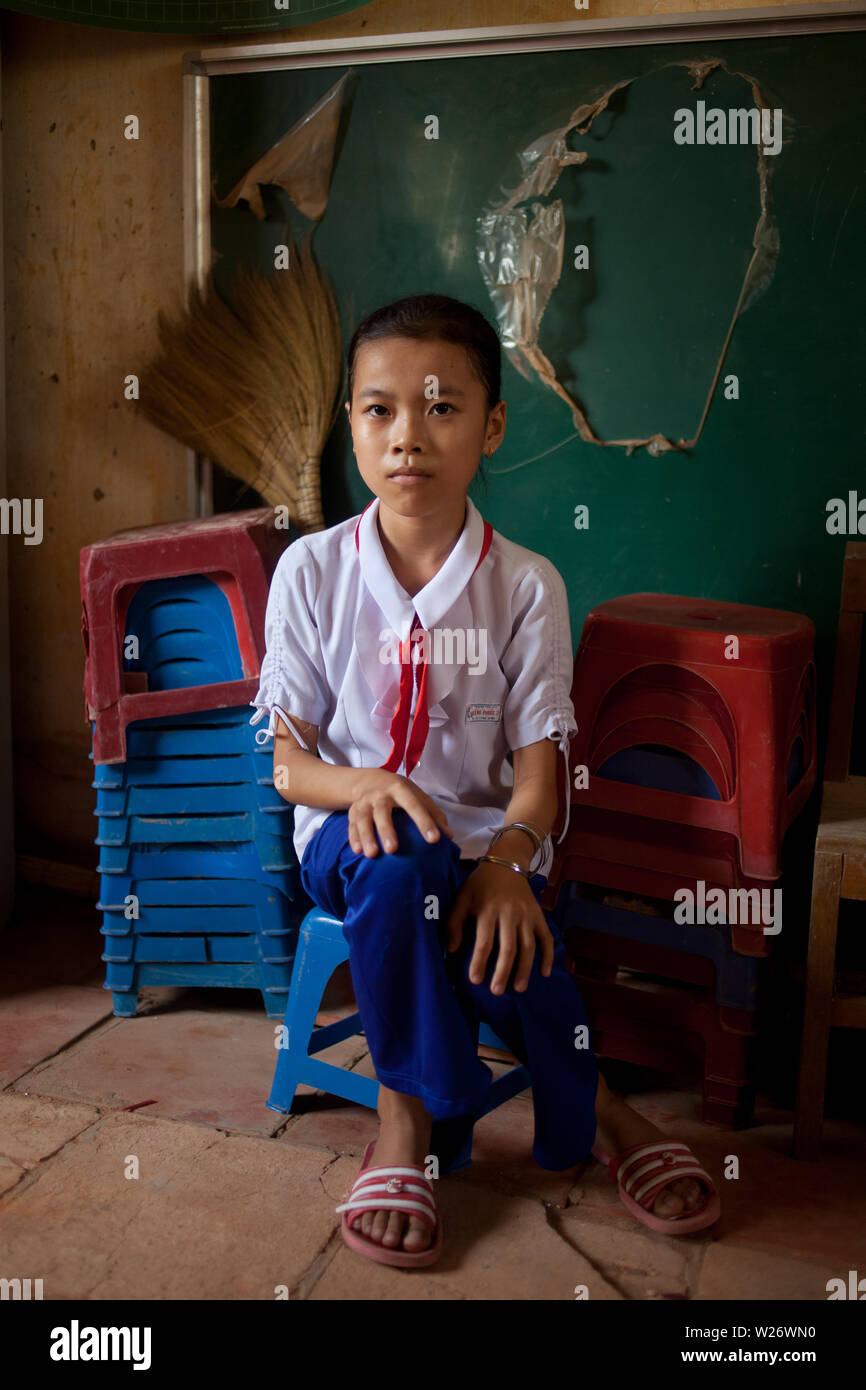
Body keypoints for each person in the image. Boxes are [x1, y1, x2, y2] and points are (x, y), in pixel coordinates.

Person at [249, 294, 719, 1267]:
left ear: (490, 425)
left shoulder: (524, 583)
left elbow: (541, 774)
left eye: (440, 408)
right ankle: (433, 1124)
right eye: (377, 409)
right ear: (348, 422)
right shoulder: (309, 570)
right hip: (346, 838)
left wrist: (509, 858)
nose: (406, 436)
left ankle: (428, 1122)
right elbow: (291, 765)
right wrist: (365, 784)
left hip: (480, 845)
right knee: (393, 863)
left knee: (476, 903)